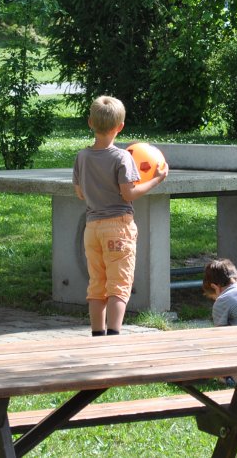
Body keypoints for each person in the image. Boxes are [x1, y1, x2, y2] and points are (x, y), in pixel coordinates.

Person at [73, 96, 168, 336]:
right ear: (120, 127)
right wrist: (157, 179)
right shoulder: (122, 157)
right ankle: (114, 335)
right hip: (118, 227)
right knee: (118, 285)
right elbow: (129, 193)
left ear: (90, 123)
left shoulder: (82, 157)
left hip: (91, 227)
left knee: (97, 284)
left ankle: (97, 335)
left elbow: (80, 193)